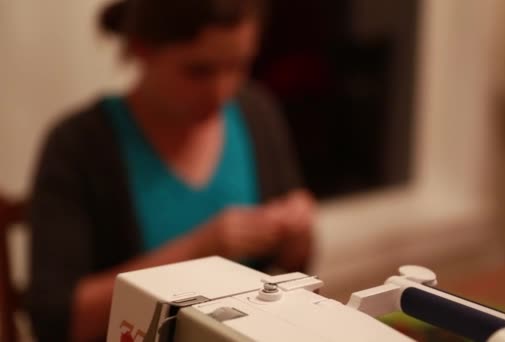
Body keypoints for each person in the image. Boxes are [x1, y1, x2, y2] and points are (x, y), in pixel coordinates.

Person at [25, 0, 314, 340]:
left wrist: (298, 235)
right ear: (140, 48)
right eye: (198, 71)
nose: (221, 92)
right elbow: (57, 320)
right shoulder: (78, 145)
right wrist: (198, 249)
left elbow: (294, 270)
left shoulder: (257, 113)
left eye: (239, 66)